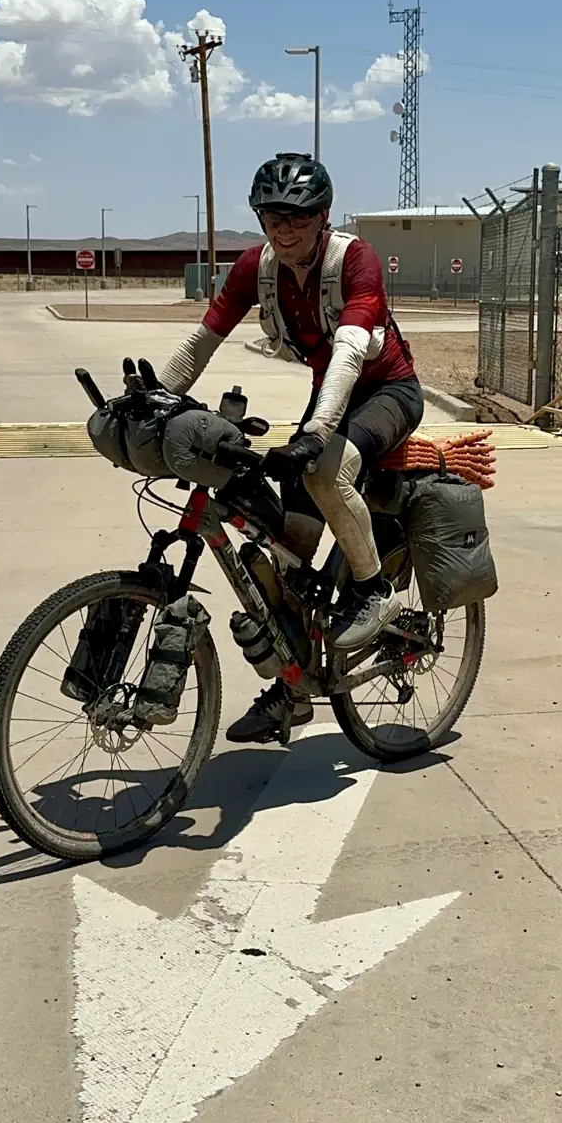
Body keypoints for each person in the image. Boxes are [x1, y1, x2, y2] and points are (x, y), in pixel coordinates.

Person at [158, 151, 423, 744]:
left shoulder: (355, 260)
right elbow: (206, 337)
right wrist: (159, 396)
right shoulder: (259, 266)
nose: (285, 227)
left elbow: (352, 351)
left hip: (385, 393)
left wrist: (314, 436)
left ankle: (373, 591)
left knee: (326, 473)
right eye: (272, 215)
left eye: (298, 216)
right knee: (289, 560)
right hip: (327, 396)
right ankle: (292, 689)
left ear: (322, 216)